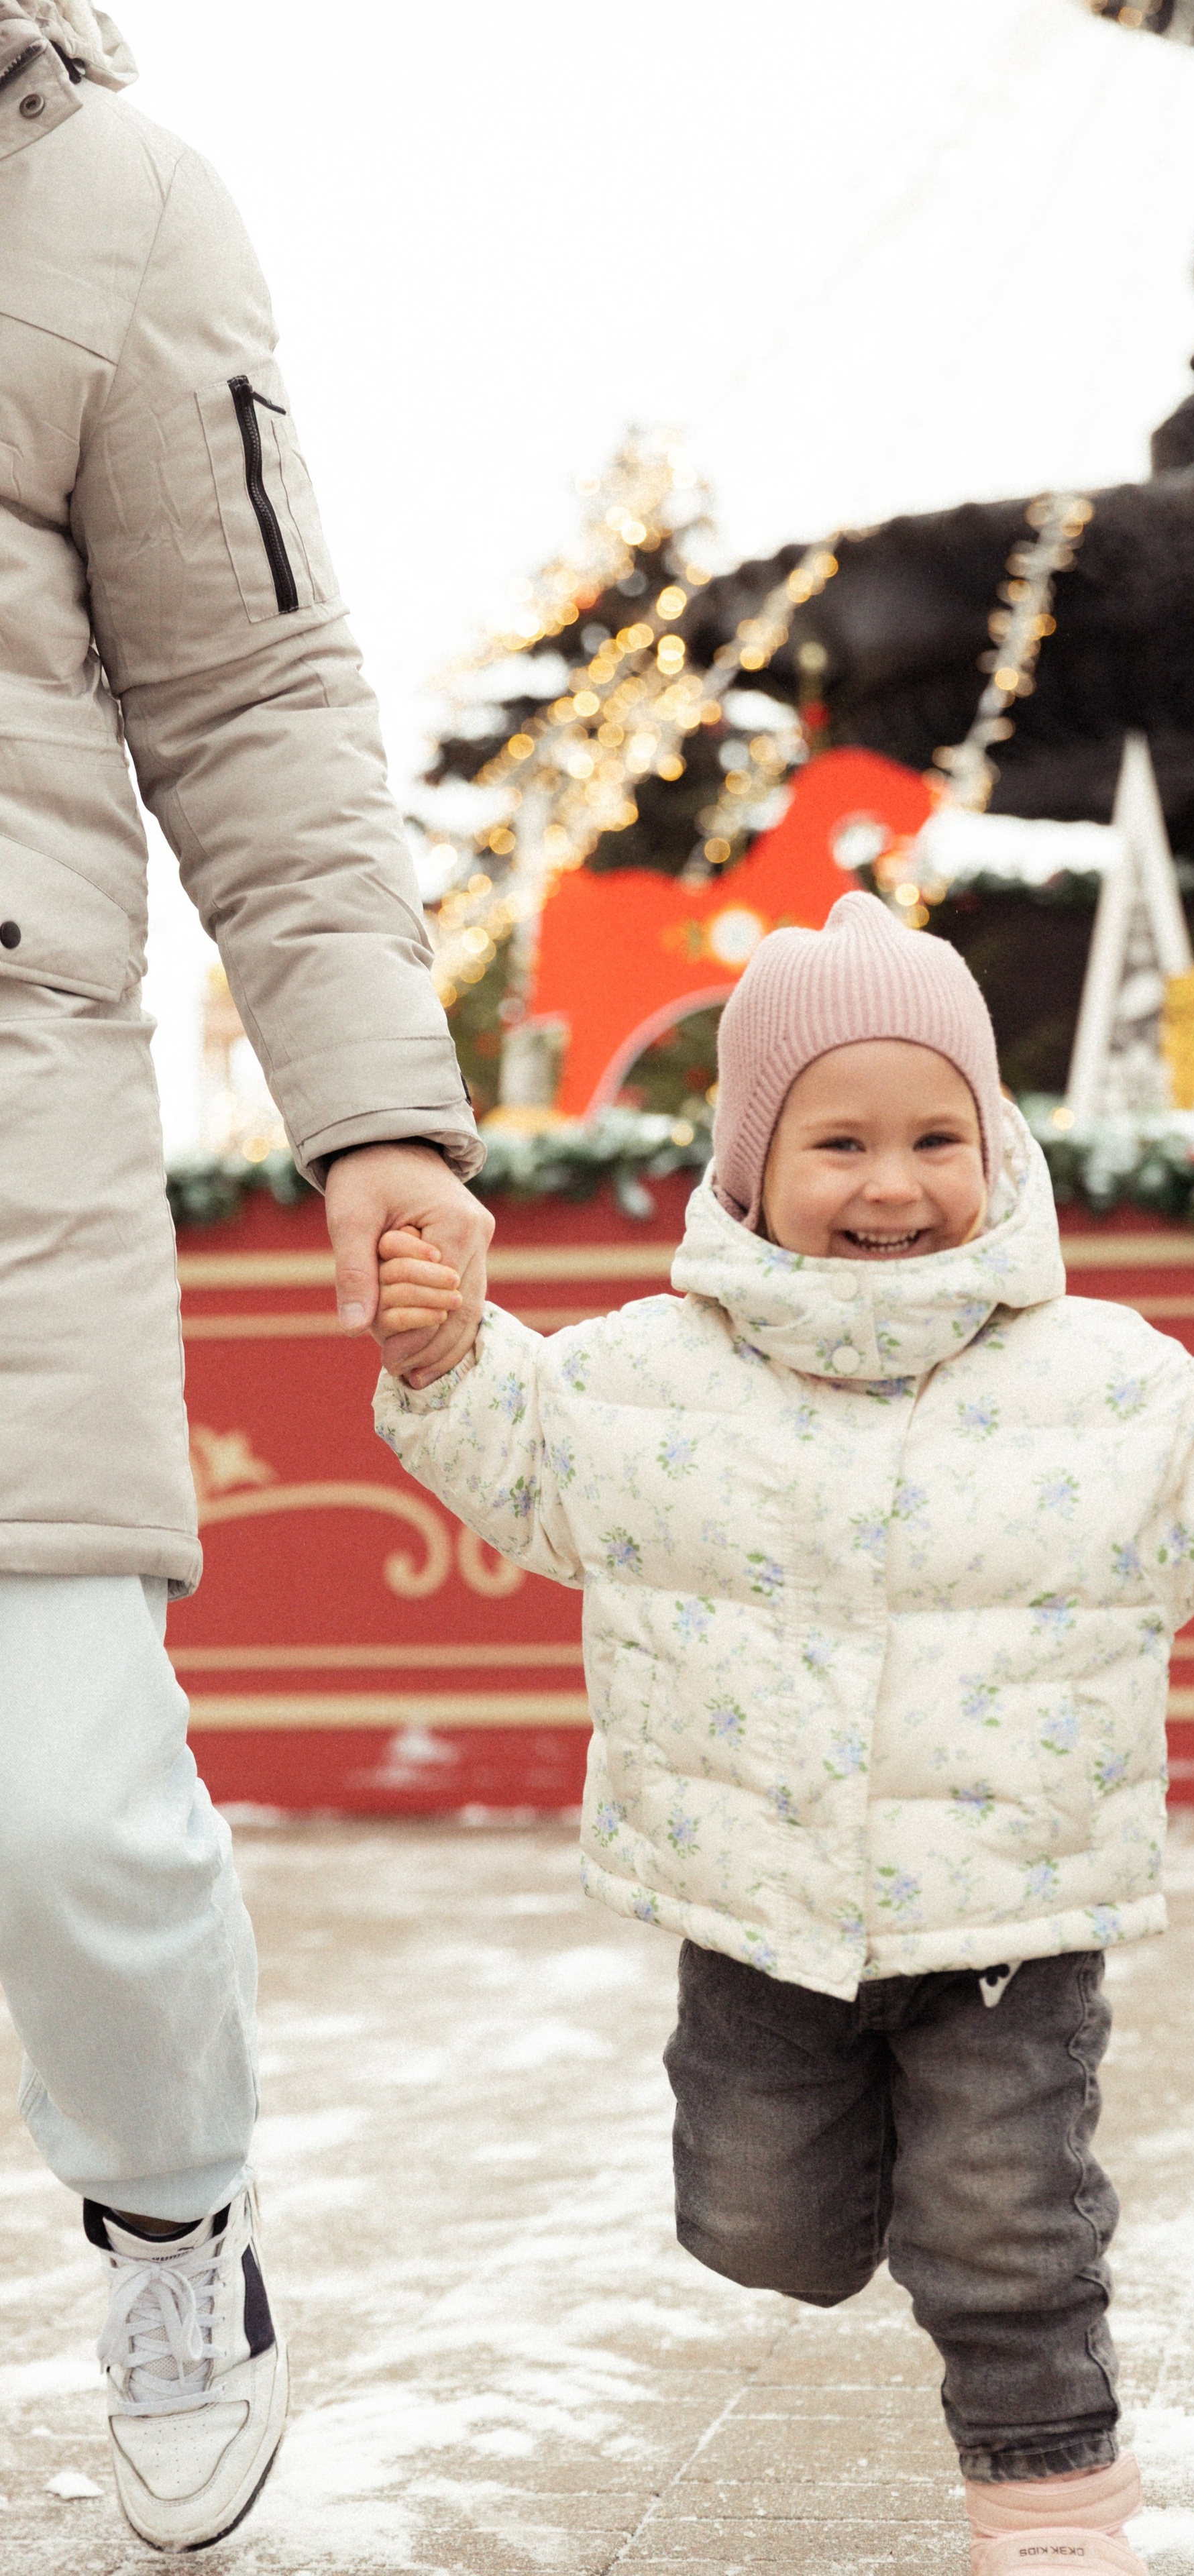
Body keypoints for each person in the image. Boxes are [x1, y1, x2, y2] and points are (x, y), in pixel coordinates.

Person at [373, 892, 1194, 2573]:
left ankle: (1050, 2508)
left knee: (1006, 2224)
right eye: (838, 1143)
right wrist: (446, 1354)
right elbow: (523, 1455)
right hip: (756, 1912)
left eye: (933, 1139)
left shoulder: (1090, 1377)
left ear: (994, 1142)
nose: (891, 1186)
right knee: (763, 2226)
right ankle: (897, 2192)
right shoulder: (645, 1377)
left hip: (1007, 1916)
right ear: (749, 1166)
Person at [0, 1, 490, 2549]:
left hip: (10, 1135)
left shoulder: (110, 198)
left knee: (63, 1812)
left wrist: (377, 1109)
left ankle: (176, 2217)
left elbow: (259, 688)